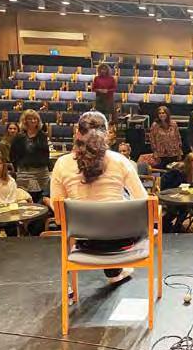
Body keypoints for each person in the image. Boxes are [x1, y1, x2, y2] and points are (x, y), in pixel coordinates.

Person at [51, 111, 147, 284]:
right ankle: (115, 270)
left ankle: (110, 272)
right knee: (126, 204)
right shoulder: (120, 161)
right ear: (107, 134)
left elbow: (57, 210)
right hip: (120, 239)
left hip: (84, 239)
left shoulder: (62, 164)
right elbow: (142, 200)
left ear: (77, 133)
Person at [10, 110, 50, 200]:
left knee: (42, 196)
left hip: (41, 172)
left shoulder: (42, 136)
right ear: (25, 121)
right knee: (25, 197)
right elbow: (13, 155)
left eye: (35, 119)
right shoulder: (19, 137)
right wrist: (18, 167)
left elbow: (46, 153)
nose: (33, 121)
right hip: (25, 172)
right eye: (30, 119)